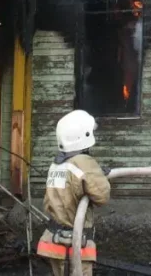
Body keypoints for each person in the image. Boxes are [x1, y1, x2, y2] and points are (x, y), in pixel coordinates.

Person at [36, 110, 111, 276]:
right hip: (74, 243)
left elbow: (71, 187)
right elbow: (102, 196)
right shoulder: (83, 162)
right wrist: (98, 175)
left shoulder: (57, 163)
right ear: (82, 136)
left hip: (54, 239)